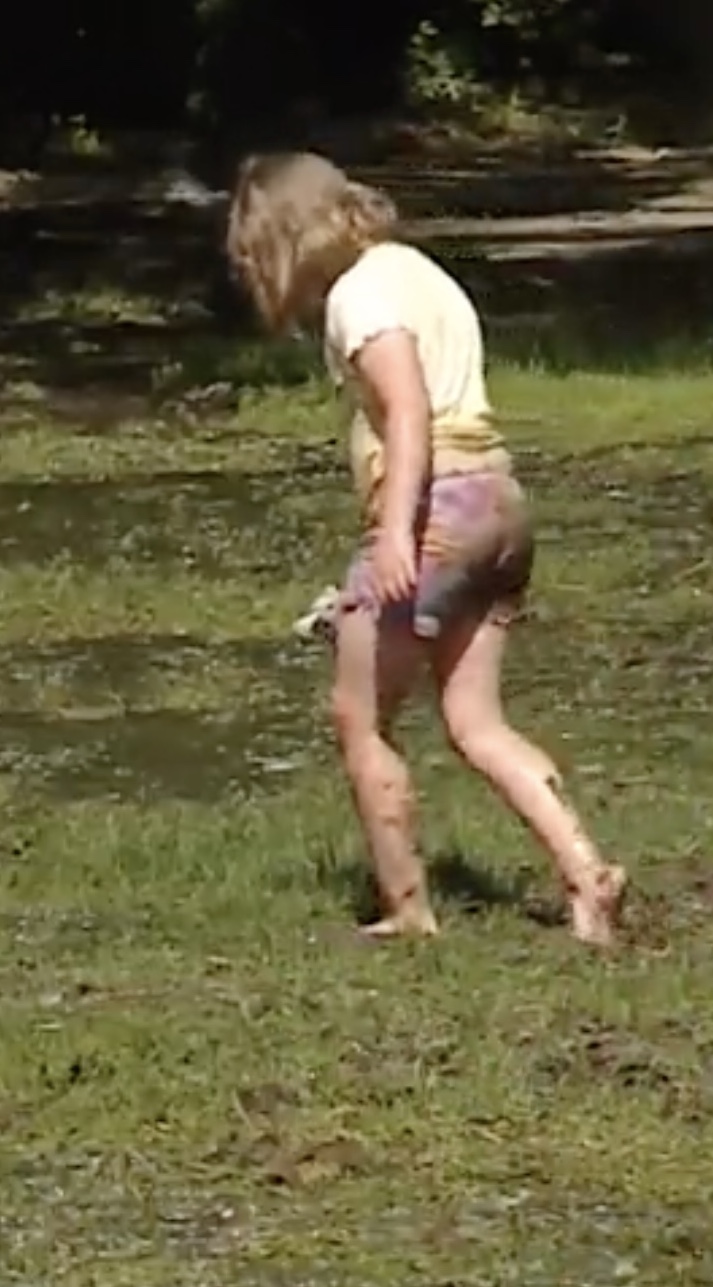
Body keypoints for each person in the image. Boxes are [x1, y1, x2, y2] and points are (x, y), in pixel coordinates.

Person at [223, 151, 627, 946]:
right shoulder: (415, 271)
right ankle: (587, 875)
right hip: (498, 505)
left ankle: (408, 909)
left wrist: (393, 537)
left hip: (437, 511)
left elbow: (407, 411)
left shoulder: (357, 294)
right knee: (475, 723)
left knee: (358, 717)